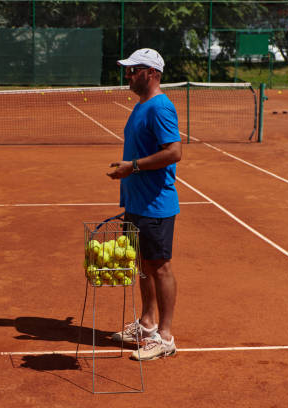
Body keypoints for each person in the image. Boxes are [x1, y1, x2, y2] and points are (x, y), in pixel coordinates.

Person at [107, 48, 182, 361]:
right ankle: (147, 324)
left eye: (134, 69)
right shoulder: (141, 105)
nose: (128, 74)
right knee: (142, 266)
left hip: (156, 204)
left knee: (159, 267)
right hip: (137, 202)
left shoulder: (160, 108)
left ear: (152, 73)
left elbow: (174, 152)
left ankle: (165, 337)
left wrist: (132, 167)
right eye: (128, 69)